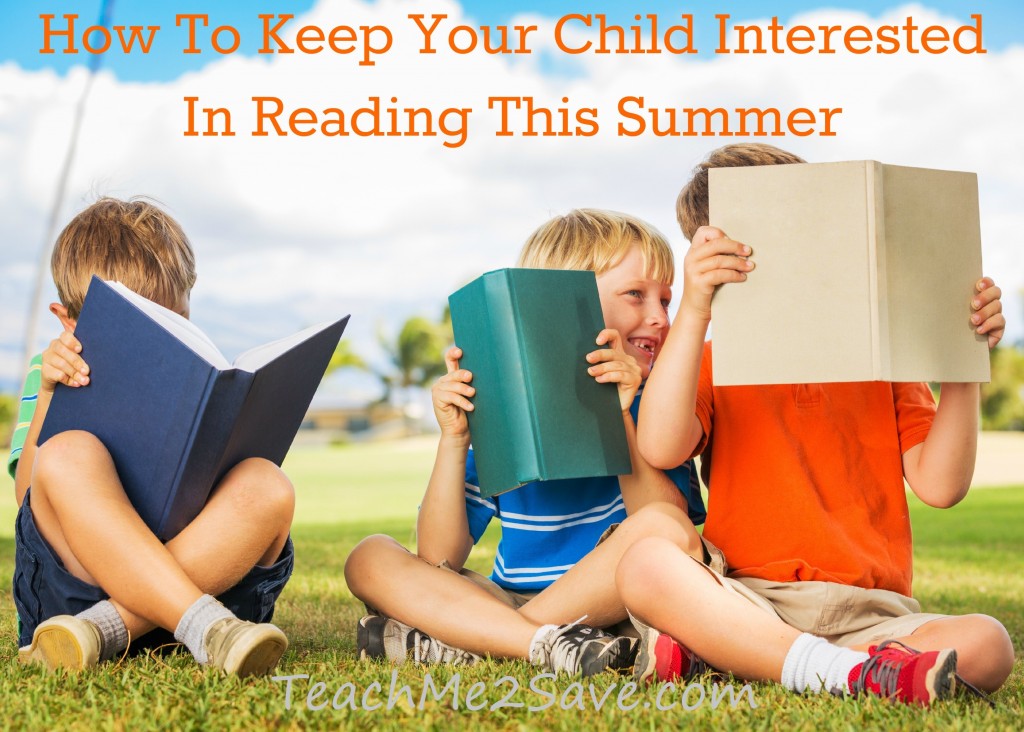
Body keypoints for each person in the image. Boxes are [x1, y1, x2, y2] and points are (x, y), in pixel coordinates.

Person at [616, 143, 1014, 704]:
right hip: (749, 599)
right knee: (647, 563)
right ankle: (837, 671)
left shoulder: (885, 358)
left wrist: (963, 357)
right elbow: (660, 444)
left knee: (988, 643)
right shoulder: (710, 357)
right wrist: (697, 307)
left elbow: (941, 486)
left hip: (874, 618)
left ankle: (742, 658)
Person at [345, 209, 708, 676]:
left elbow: (670, 526)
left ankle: (481, 640)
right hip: (510, 599)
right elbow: (438, 557)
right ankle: (534, 642)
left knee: (666, 526)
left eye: (666, 300)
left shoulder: (654, 402)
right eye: (636, 295)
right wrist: (455, 440)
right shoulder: (505, 411)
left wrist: (618, 417)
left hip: (618, 606)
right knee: (369, 557)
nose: (659, 318)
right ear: (560, 305)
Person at [10, 198, 295, 676]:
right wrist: (46, 396)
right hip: (80, 591)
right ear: (69, 320)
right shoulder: (52, 370)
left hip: (199, 585)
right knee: (64, 455)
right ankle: (207, 628)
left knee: (267, 483)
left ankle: (108, 629)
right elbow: (27, 501)